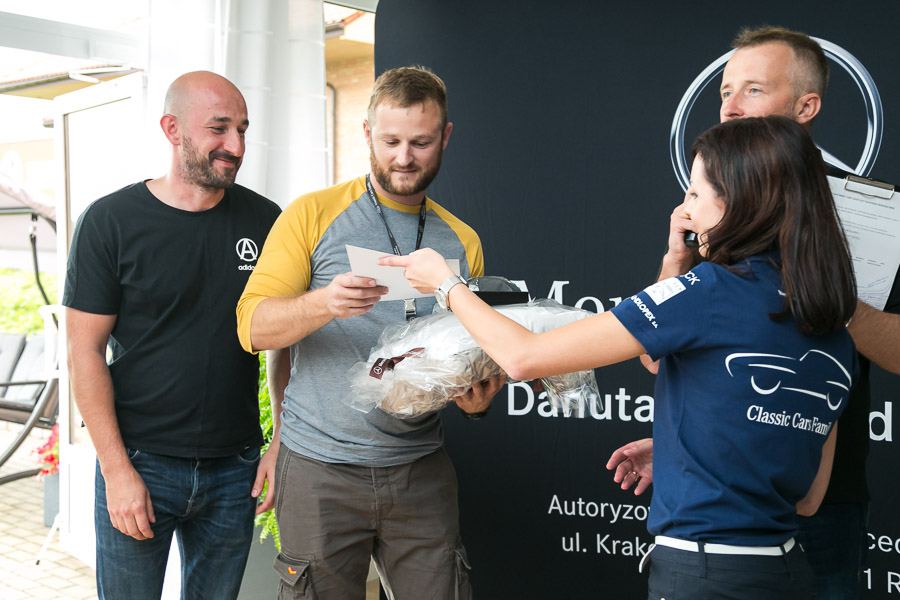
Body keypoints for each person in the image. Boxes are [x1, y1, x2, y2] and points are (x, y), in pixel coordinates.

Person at [387, 115, 858, 599]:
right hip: (786, 573)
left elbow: (524, 357)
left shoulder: (711, 291)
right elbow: (807, 498)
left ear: (739, 202)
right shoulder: (832, 328)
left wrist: (446, 285)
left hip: (706, 576)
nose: (685, 210)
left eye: (695, 194)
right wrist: (686, 455)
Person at [606, 26, 900, 599]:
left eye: (754, 90)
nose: (731, 107)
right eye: (725, 91)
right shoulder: (717, 201)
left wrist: (822, 293)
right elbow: (655, 357)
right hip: (723, 499)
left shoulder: (873, 216)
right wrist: (676, 260)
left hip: (821, 495)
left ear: (806, 107)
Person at [236, 65, 505, 600]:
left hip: (420, 468)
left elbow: (467, 356)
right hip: (320, 469)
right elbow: (252, 327)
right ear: (366, 133)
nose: (404, 157)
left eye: (421, 142)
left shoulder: (463, 240)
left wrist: (476, 402)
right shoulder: (311, 215)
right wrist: (324, 302)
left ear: (445, 136)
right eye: (390, 141)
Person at [63, 71, 285, 599]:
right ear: (172, 129)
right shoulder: (110, 221)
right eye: (219, 128)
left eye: (242, 129)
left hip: (235, 467)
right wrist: (116, 470)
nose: (236, 146)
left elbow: (286, 341)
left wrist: (280, 444)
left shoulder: (266, 220)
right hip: (140, 462)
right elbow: (84, 352)